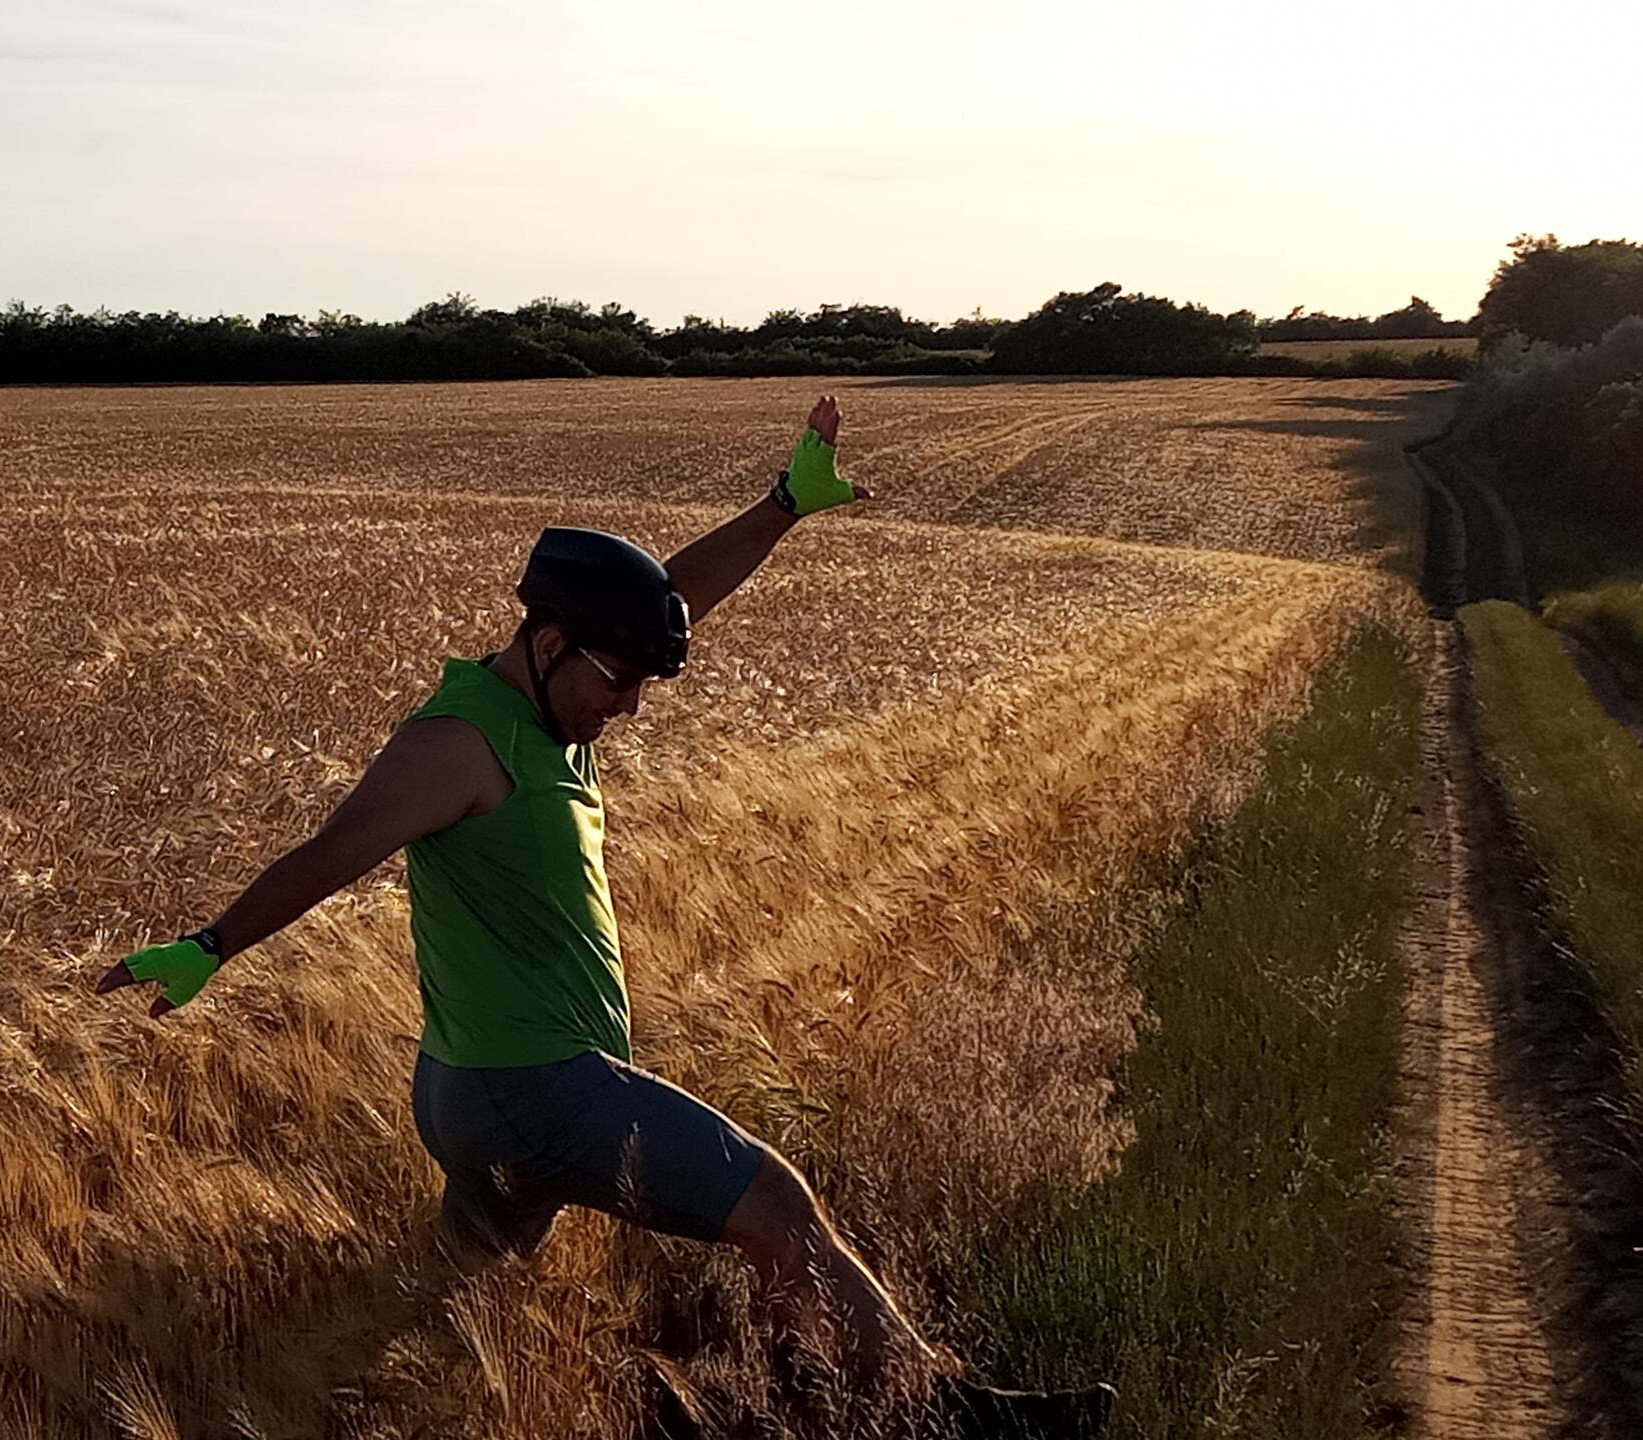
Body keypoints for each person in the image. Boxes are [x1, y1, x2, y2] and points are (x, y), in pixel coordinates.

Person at [95, 396, 1116, 1438]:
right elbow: (335, 850)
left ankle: (373, 1412)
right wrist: (211, 945)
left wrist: (782, 506)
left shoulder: (547, 708)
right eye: (619, 681)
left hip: (474, 1090)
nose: (627, 705)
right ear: (549, 643)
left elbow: (669, 598)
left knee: (455, 1298)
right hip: (534, 1089)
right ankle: (944, 1418)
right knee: (775, 1205)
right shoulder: (459, 744)